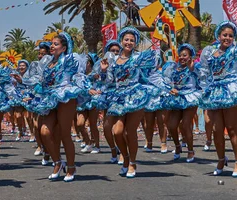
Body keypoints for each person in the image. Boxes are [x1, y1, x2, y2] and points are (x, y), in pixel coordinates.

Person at [23, 32, 86, 182]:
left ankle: (71, 167)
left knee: (64, 133)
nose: (52, 46)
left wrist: (85, 87)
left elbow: (78, 76)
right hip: (50, 97)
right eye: (52, 44)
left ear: (64, 48)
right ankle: (58, 162)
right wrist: (29, 90)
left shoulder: (69, 60)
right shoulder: (47, 62)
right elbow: (42, 82)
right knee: (44, 131)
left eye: (56, 44)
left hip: (65, 97)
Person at [100, 27, 162, 178]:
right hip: (118, 97)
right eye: (126, 40)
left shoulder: (138, 57)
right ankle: (126, 158)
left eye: (132, 40)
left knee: (130, 131)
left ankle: (132, 162)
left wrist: (161, 85)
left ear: (135, 43)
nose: (128, 42)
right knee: (117, 131)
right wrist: (103, 70)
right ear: (121, 41)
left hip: (135, 95)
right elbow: (108, 81)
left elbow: (153, 70)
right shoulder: (113, 60)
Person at [199, 21, 237, 177]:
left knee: (231, 128)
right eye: (225, 35)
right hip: (215, 91)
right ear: (219, 36)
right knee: (216, 130)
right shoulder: (209, 52)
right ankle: (221, 159)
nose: (227, 38)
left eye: (230, 35)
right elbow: (204, 72)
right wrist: (205, 89)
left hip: (232, 89)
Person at [162, 44, 202, 162]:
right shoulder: (173, 68)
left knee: (185, 124)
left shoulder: (196, 67)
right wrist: (171, 89)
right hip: (177, 98)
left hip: (190, 97)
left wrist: (192, 69)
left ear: (190, 57)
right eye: (181, 55)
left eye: (185, 55)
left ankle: (190, 150)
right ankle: (178, 146)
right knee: (172, 125)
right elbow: (166, 81)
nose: (182, 57)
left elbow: (203, 78)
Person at [76, 53, 102, 154]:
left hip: (92, 101)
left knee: (93, 124)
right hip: (82, 102)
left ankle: (97, 145)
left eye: (87, 62)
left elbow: (100, 81)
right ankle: (88, 142)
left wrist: (98, 91)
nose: (84, 64)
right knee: (80, 123)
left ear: (90, 64)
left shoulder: (94, 74)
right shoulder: (79, 75)